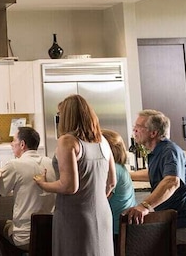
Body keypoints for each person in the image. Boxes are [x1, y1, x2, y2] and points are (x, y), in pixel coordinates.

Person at [34, 94, 116, 256]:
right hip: (102, 213)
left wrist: (43, 184)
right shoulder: (103, 142)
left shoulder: (67, 141)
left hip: (74, 215)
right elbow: (112, 182)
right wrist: (93, 197)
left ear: (67, 117)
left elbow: (69, 186)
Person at [124, 109, 186, 245]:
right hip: (177, 222)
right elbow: (156, 172)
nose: (134, 130)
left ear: (153, 133)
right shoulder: (159, 151)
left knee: (136, 243)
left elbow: (172, 181)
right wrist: (128, 175)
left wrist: (145, 206)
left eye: (138, 127)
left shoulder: (169, 151)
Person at [0, 126, 56, 251]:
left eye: (13, 141)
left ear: (22, 144)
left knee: (0, 226)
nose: (11, 144)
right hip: (52, 234)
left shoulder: (15, 165)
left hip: (25, 236)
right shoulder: (51, 163)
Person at [101, 128, 137, 252]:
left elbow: (102, 198)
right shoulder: (120, 167)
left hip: (115, 230)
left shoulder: (112, 169)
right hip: (127, 228)